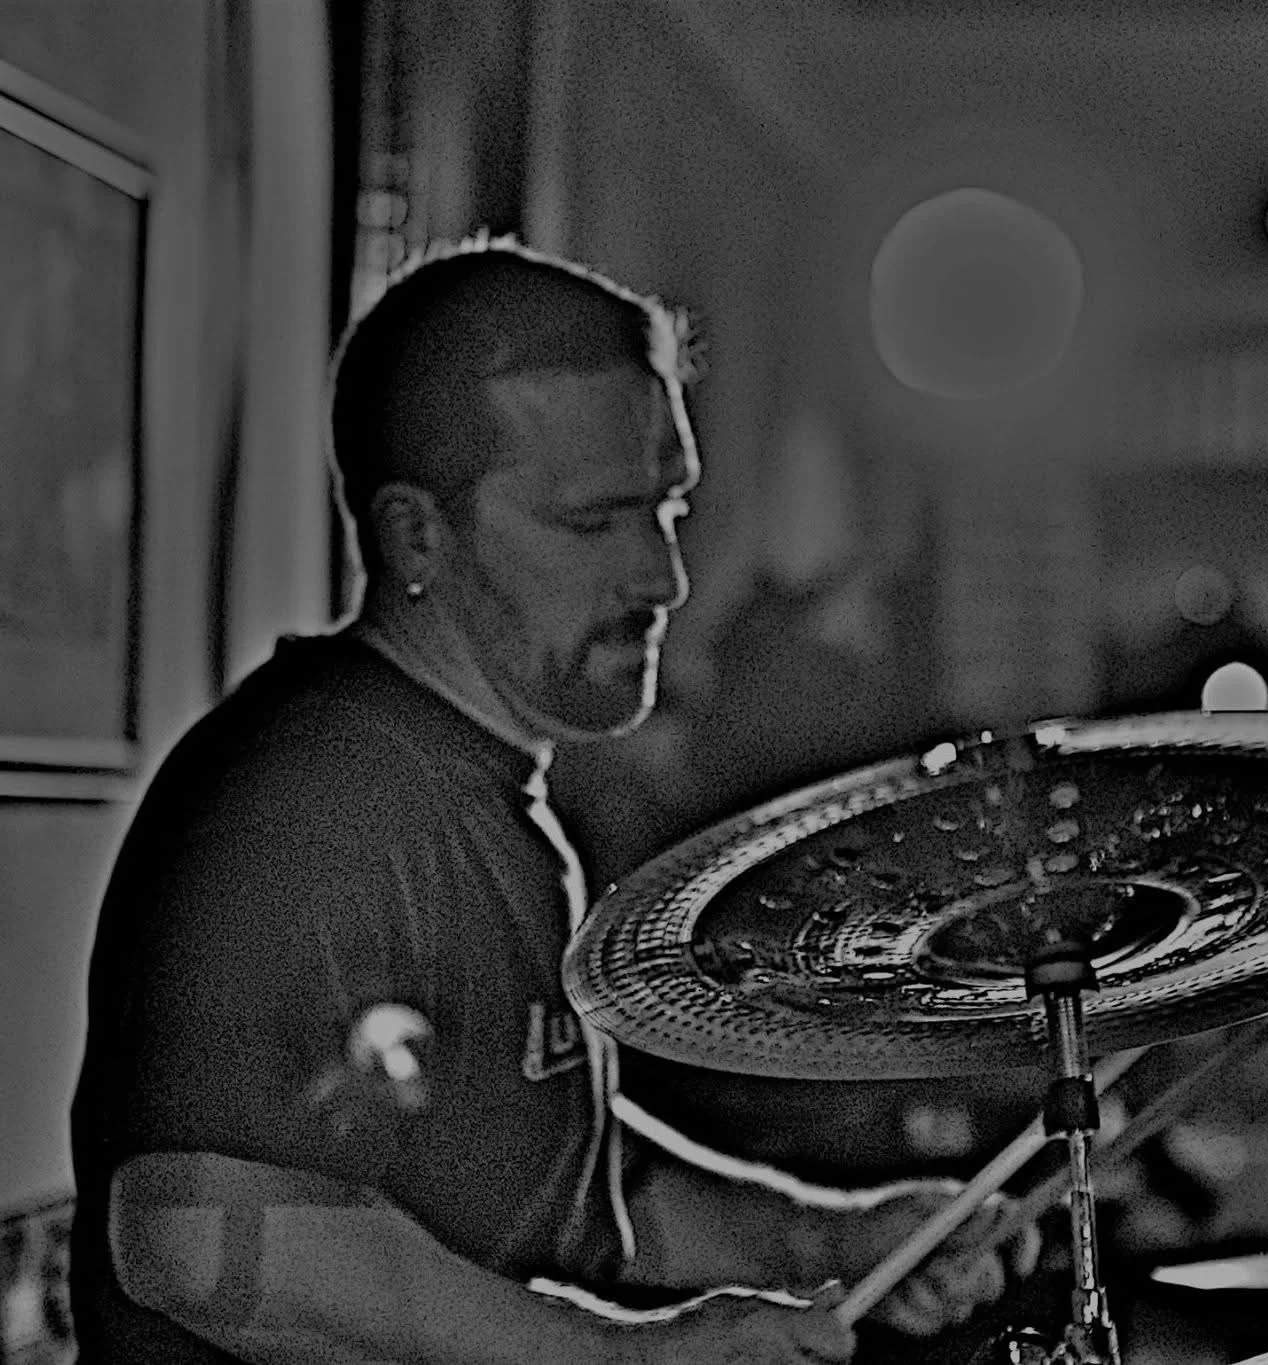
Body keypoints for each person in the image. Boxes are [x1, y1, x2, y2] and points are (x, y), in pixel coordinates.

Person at [70, 235, 1035, 1365]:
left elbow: (579, 1187)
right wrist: (621, 1356)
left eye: (667, 509)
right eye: (594, 522)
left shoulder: (485, 792)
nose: (661, 578)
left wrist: (828, 1233)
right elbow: (185, 1237)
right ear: (416, 537)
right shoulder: (302, 801)